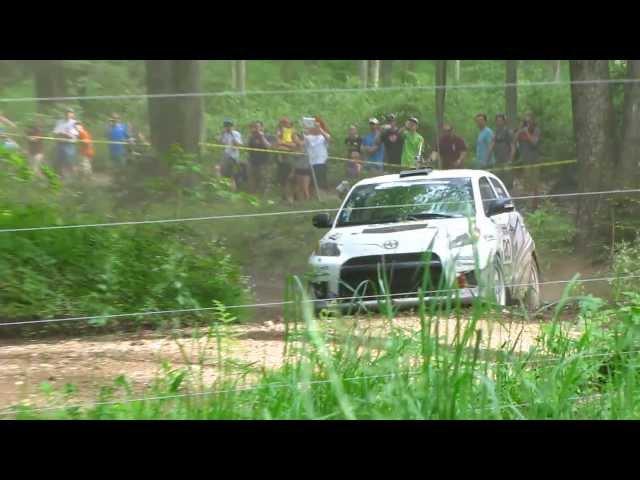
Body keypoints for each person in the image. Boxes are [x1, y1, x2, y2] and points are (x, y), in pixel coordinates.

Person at [514, 112, 541, 208]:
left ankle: (535, 205)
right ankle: (529, 205)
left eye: (530, 121)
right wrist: (520, 128)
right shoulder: (521, 131)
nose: (528, 123)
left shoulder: (536, 131)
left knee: (535, 184)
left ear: (533, 121)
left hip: (534, 161)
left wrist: (526, 132)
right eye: (526, 122)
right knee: (527, 183)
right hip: (526, 161)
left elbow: (534, 143)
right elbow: (514, 140)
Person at [304, 119, 331, 194]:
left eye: (318, 126)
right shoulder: (308, 137)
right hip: (310, 162)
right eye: (314, 126)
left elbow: (328, 138)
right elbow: (304, 141)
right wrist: (307, 129)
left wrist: (320, 129)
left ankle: (322, 195)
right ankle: (313, 197)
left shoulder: (323, 137)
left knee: (320, 182)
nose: (315, 128)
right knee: (311, 182)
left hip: (321, 162)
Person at [491, 114, 515, 190]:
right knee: (497, 179)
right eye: (497, 120)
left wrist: (510, 159)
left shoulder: (508, 131)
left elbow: (512, 146)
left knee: (507, 180)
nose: (499, 122)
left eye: (500, 120)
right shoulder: (496, 132)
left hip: (506, 160)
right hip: (497, 160)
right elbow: (492, 144)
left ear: (504, 121)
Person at [275, 117, 297, 202]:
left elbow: (295, 145)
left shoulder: (292, 132)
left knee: (290, 178)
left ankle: (290, 197)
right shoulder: (279, 132)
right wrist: (284, 144)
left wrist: (284, 143)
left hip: (290, 158)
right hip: (281, 158)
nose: (284, 125)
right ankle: (283, 197)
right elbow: (277, 144)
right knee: (282, 179)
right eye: (282, 123)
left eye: (285, 123)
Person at [53, 108, 79, 178]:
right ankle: (61, 176)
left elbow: (76, 134)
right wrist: (60, 136)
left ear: (73, 114)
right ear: (64, 113)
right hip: (60, 144)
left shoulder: (75, 123)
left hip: (70, 145)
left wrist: (65, 135)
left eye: (70, 112)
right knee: (59, 161)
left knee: (70, 161)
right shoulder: (59, 122)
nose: (68, 114)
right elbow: (56, 133)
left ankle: (74, 177)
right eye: (67, 112)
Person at [247, 120, 272, 194]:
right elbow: (246, 148)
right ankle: (252, 196)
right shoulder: (251, 137)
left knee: (264, 180)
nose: (256, 129)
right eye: (254, 127)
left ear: (262, 127)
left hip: (264, 163)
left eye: (257, 127)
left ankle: (263, 197)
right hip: (252, 162)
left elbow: (269, 147)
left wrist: (261, 137)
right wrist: (250, 136)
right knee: (252, 180)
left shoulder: (268, 136)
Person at [219, 119, 244, 190]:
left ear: (232, 126)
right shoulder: (225, 134)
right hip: (226, 155)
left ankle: (233, 190)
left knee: (231, 175)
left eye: (229, 126)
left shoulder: (236, 133)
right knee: (223, 173)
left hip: (233, 157)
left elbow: (240, 145)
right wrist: (222, 134)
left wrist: (233, 138)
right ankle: (224, 188)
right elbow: (221, 143)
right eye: (226, 126)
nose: (227, 127)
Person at [292, 132, 312, 201]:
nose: (294, 139)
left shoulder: (305, 145)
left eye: (295, 137)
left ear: (299, 138)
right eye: (293, 138)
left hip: (306, 168)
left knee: (305, 187)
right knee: (298, 185)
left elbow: (307, 142)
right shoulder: (294, 147)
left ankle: (307, 200)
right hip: (298, 168)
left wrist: (302, 142)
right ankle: (297, 200)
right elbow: (296, 155)